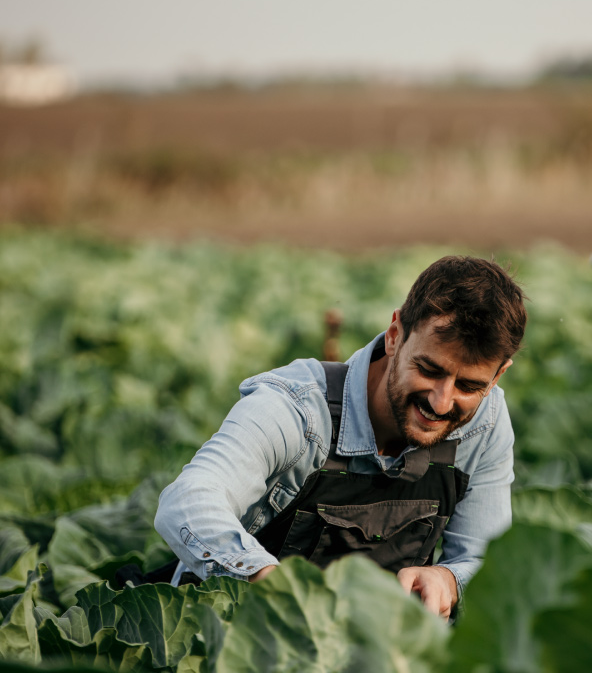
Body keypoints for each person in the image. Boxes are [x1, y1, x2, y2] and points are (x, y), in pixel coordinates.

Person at [154, 255, 526, 621]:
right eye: (429, 370)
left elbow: (484, 559)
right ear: (395, 335)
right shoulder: (295, 410)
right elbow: (187, 502)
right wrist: (272, 585)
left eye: (469, 386)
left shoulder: (485, 425)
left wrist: (448, 581)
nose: (441, 402)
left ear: (497, 376)